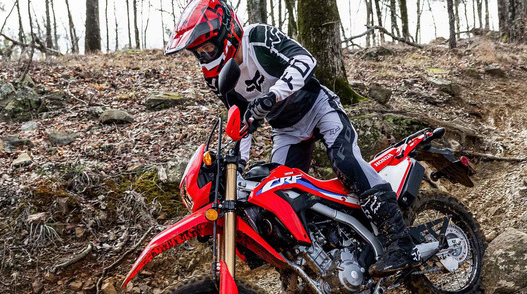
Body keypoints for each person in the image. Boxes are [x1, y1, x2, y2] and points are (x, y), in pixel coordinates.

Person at [165, 0, 421, 276]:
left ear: (225, 33)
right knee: (279, 198)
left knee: (346, 163)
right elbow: (241, 119)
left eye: (207, 48)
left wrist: (273, 95)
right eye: (199, 52)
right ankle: (316, 273)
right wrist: (235, 166)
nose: (204, 55)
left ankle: (400, 242)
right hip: (287, 130)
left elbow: (305, 60)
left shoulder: (259, 38)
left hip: (319, 107)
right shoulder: (217, 77)